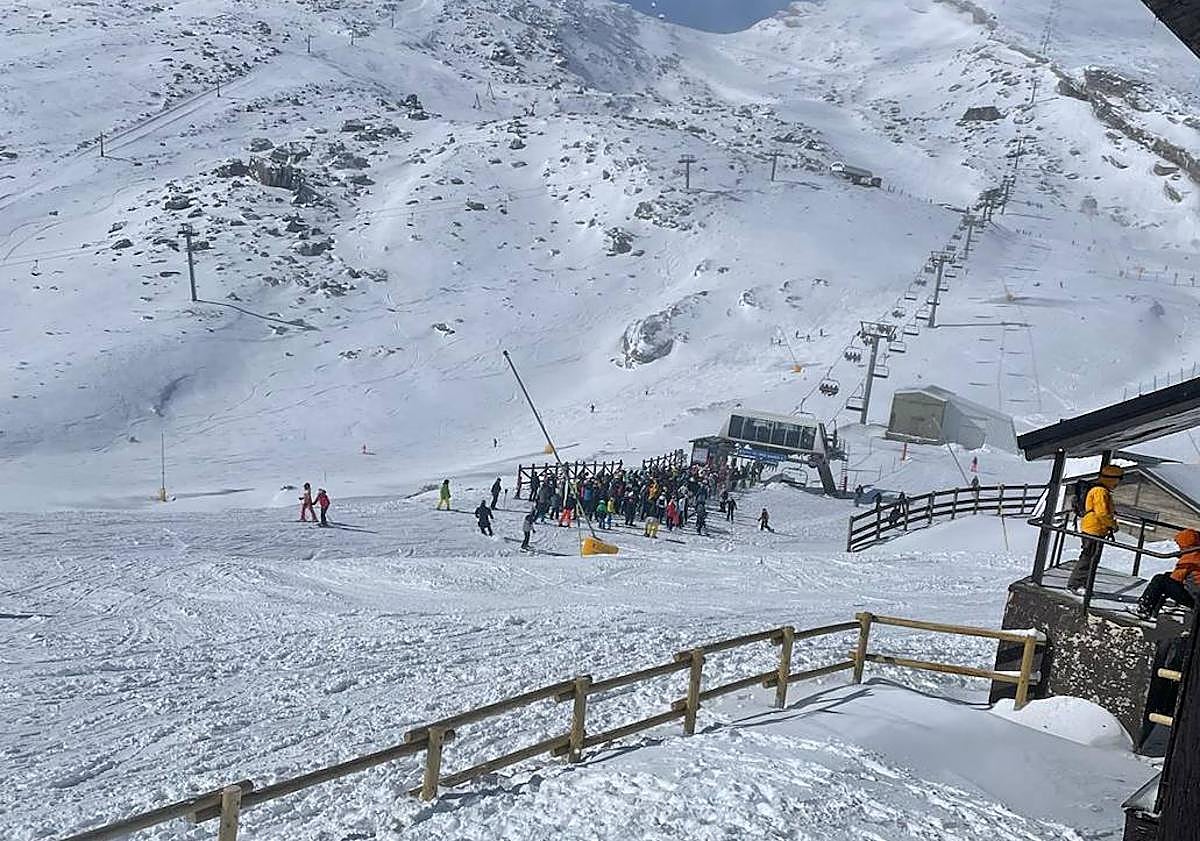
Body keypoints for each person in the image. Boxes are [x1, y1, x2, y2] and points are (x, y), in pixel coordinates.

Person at [1068, 465, 1123, 594]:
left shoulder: (1100, 490)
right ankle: (1075, 585)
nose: (1117, 484)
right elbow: (1102, 513)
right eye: (1118, 480)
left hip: (1095, 528)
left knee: (1091, 557)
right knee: (1088, 557)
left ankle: (1083, 585)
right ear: (1112, 479)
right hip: (1093, 529)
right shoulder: (1100, 491)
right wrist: (1113, 525)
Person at [1131, 528, 1200, 619]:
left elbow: (1175, 578)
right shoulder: (1197, 554)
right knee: (1167, 577)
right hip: (1196, 594)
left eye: (1179, 544)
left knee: (1160, 580)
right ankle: (1156, 608)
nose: (1178, 547)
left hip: (1195, 600)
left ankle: (1144, 608)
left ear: (1185, 544)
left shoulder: (1189, 558)